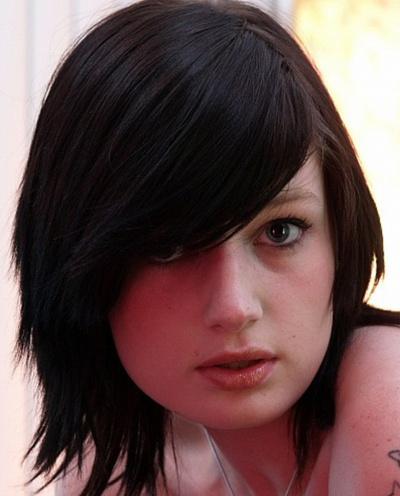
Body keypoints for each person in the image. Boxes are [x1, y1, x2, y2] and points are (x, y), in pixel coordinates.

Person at [12, 0, 400, 494]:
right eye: (169, 247)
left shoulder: (388, 397)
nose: (235, 308)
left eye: (280, 231)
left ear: (341, 234)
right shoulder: (118, 469)